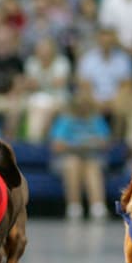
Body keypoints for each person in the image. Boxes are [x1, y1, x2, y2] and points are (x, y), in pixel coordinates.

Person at [50, 87, 111, 222]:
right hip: (67, 157)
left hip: (92, 156)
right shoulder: (65, 119)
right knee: (73, 163)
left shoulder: (96, 119)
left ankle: (97, 206)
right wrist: (76, 145)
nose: (82, 108)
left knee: (91, 166)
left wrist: (90, 143)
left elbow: (105, 143)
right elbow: (57, 145)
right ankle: (74, 206)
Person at [23, 37, 70, 143]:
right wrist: (48, 81)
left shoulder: (61, 62)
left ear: (52, 50)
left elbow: (59, 83)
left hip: (58, 98)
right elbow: (30, 84)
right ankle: (35, 141)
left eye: (46, 49)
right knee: (37, 110)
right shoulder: (32, 62)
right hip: (37, 98)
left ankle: (37, 141)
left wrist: (39, 81)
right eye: (41, 50)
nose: (44, 53)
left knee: (45, 111)